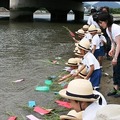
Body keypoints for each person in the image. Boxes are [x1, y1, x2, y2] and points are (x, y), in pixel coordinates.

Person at [98, 12, 120, 97]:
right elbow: (113, 43)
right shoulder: (108, 29)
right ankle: (115, 88)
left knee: (119, 69)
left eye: (101, 22)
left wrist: (115, 58)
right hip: (118, 48)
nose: (100, 24)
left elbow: (119, 43)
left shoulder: (116, 28)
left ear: (106, 21)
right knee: (115, 69)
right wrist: (112, 49)